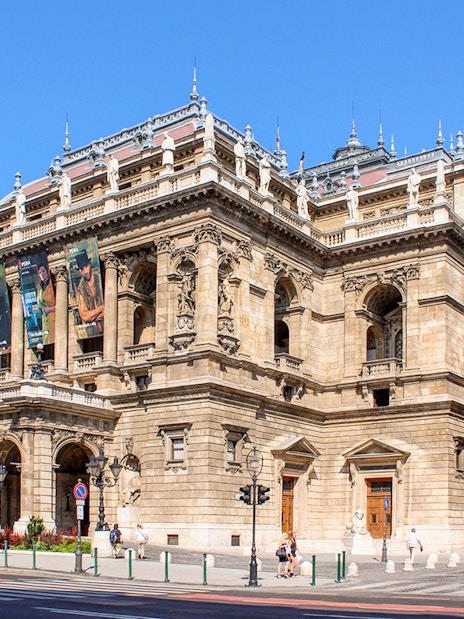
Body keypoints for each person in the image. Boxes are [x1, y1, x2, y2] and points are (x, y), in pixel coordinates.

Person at [75, 249, 104, 333]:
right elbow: (84, 317)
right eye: (82, 269)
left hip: (108, 326)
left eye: (86, 267)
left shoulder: (101, 279)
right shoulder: (80, 289)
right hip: (92, 332)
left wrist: (91, 316)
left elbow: (109, 310)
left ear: (90, 265)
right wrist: (101, 308)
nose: (85, 272)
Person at [37, 263, 56, 345]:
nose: (42, 274)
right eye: (40, 272)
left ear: (47, 271)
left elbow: (63, 303)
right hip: (45, 323)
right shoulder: (40, 288)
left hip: (54, 320)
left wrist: (50, 309)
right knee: (47, 343)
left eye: (43, 271)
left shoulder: (54, 284)